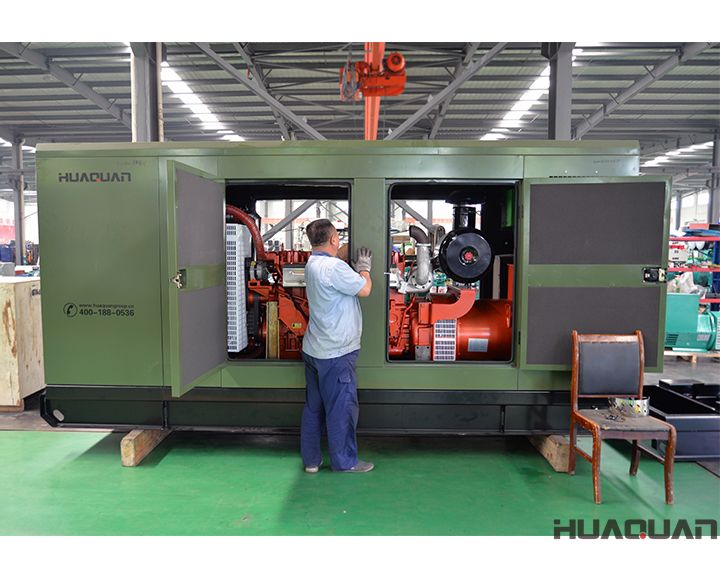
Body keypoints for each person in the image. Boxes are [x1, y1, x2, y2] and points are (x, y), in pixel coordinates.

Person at [300, 218, 374, 473]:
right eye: (338, 237)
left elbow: (334, 259)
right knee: (341, 409)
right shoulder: (335, 269)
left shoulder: (312, 263)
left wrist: (345, 249)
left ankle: (311, 461)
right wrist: (364, 269)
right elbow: (365, 289)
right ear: (333, 239)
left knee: (313, 408)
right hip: (336, 353)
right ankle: (345, 462)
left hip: (314, 348)